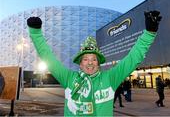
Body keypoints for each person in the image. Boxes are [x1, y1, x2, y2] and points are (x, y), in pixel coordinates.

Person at [27, 10, 162, 116]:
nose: (90, 63)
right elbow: (48, 57)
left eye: (94, 59)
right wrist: (36, 33)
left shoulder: (110, 78)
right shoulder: (69, 78)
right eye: (85, 59)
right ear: (80, 64)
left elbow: (132, 58)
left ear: (98, 63)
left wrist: (149, 33)